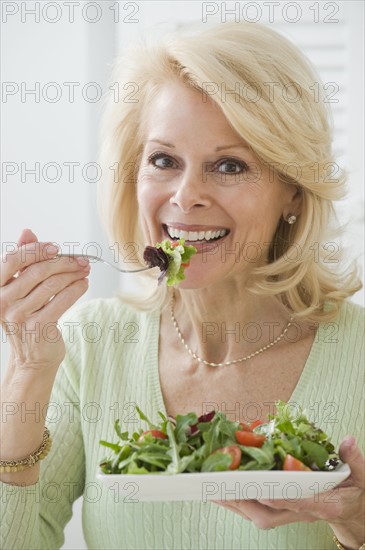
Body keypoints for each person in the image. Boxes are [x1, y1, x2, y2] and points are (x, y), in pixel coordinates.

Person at [0, 21, 364, 550]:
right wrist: (26, 377)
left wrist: (358, 525)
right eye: (164, 160)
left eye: (230, 165)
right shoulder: (91, 341)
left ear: (294, 193)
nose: (186, 196)